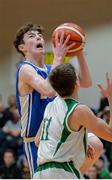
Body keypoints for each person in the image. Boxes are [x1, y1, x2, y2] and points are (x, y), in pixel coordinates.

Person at [13, 22, 92, 177]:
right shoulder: (25, 69)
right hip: (34, 140)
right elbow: (48, 91)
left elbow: (86, 82)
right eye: (32, 36)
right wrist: (59, 58)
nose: (38, 37)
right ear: (22, 47)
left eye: (40, 36)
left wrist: (80, 53)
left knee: (96, 144)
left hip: (56, 137)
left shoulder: (52, 68)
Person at [33, 63, 112, 179]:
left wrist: (78, 142)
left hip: (40, 173)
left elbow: (37, 141)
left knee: (94, 142)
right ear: (77, 82)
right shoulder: (79, 110)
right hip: (61, 174)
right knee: (95, 141)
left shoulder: (50, 106)